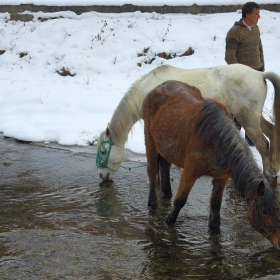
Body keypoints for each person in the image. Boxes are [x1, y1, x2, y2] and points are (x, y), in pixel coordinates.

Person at [225, 2, 264, 146]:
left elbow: (259, 48)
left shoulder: (256, 28)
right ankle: (232, 139)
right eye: (256, 14)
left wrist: (262, 68)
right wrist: (239, 76)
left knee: (254, 107)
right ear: (247, 15)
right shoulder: (235, 32)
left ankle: (250, 137)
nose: (259, 17)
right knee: (238, 108)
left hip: (257, 74)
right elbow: (229, 56)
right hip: (242, 77)